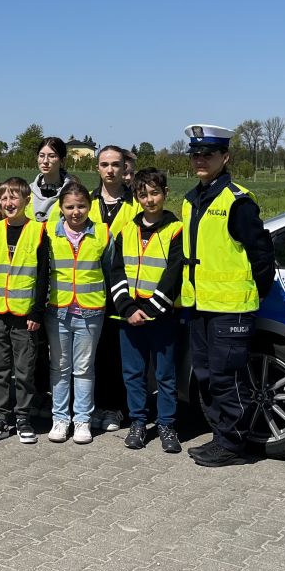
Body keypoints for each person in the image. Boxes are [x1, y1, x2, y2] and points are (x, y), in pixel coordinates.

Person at [180, 125, 275, 468]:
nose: (201, 160)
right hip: (199, 306)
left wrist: (254, 291)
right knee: (205, 375)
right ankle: (220, 436)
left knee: (228, 378)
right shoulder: (192, 200)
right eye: (196, 154)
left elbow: (262, 256)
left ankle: (233, 444)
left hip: (231, 308)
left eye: (208, 154)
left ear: (225, 157)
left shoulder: (238, 201)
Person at [109, 168, 184, 453]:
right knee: (133, 373)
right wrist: (127, 308)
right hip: (129, 315)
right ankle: (138, 422)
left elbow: (174, 273)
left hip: (162, 315)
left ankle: (166, 423)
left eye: (155, 193)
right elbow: (116, 271)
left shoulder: (176, 230)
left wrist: (152, 309)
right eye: (143, 194)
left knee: (165, 374)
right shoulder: (126, 230)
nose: (150, 199)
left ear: (165, 193)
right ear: (137, 197)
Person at [0, 178, 47, 444]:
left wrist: (37, 312)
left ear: (27, 200)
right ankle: (0, 418)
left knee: (25, 368)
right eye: (4, 198)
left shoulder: (39, 231)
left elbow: (43, 276)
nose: (9, 203)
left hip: (25, 314)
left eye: (14, 197)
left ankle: (23, 417)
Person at [44, 182, 110, 445]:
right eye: (69, 206)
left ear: (90, 207)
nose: (75, 212)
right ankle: (60, 419)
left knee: (83, 369)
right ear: (60, 208)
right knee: (59, 367)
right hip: (57, 310)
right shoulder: (48, 232)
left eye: (81, 206)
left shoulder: (102, 234)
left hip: (90, 311)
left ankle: (82, 420)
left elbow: (110, 269)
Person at [89, 145, 139, 434]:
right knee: (93, 354)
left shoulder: (136, 205)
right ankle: (94, 405)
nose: (110, 170)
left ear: (124, 169)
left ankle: (116, 408)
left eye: (115, 165)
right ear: (97, 168)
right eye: (104, 164)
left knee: (119, 354)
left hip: (125, 291)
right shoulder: (87, 202)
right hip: (89, 290)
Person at [29, 137, 74, 222]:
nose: (45, 161)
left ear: (62, 161)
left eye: (52, 156)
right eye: (41, 156)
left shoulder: (75, 193)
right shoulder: (27, 192)